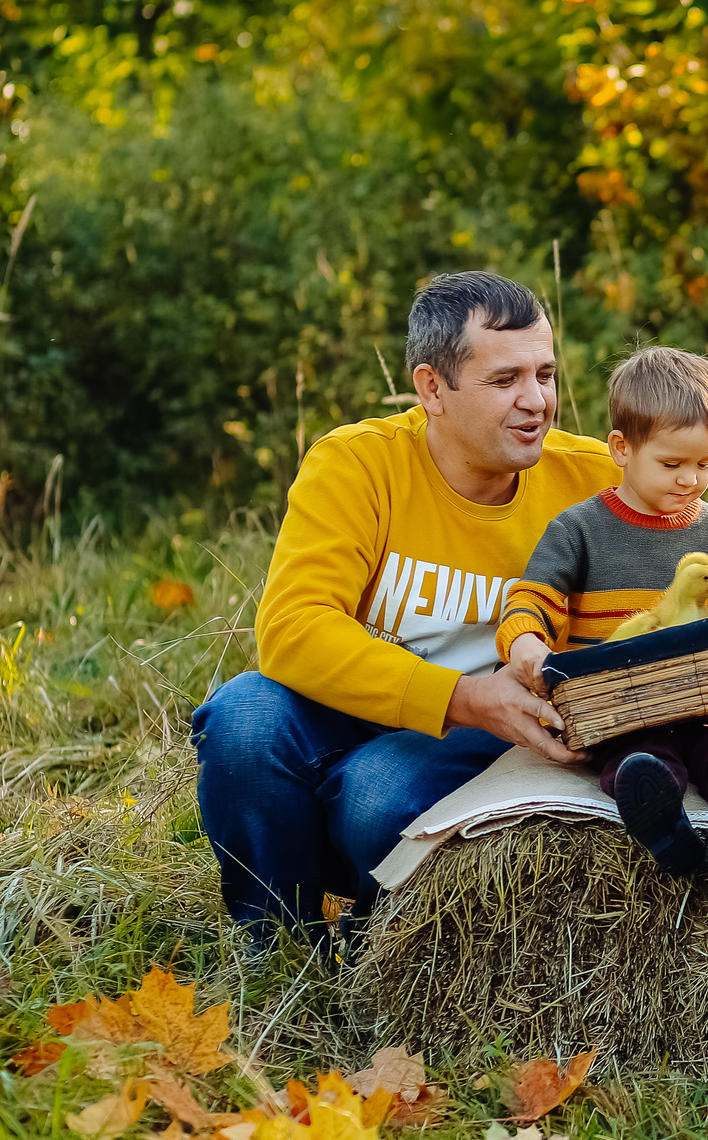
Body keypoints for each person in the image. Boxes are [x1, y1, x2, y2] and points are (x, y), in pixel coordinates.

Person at [193, 272, 614, 939]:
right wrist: (468, 696)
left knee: (373, 794)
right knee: (244, 717)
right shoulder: (357, 465)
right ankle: (276, 945)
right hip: (365, 707)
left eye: (545, 373)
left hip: (483, 739)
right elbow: (292, 629)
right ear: (431, 389)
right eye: (505, 380)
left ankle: (385, 928)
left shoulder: (592, 477)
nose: (537, 400)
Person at [498, 347, 708, 908]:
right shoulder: (581, 528)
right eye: (672, 465)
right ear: (622, 449)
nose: (691, 479)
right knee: (638, 759)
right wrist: (526, 646)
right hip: (622, 706)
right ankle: (665, 825)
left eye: (706, 463)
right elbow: (532, 598)